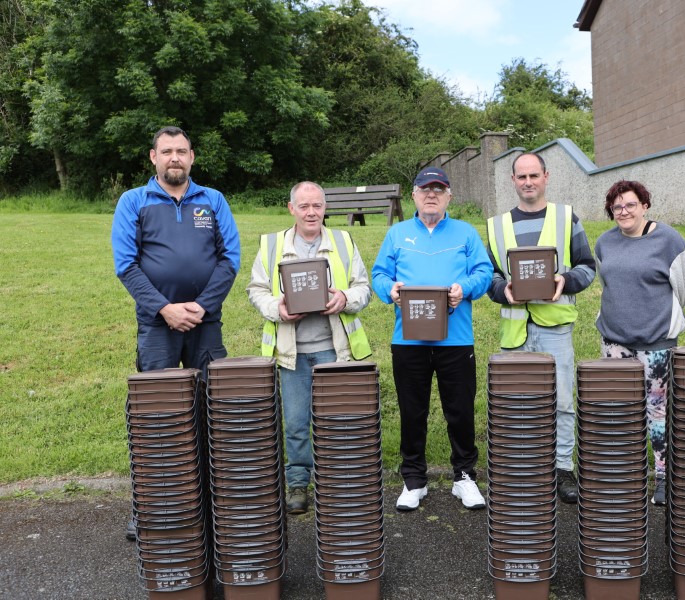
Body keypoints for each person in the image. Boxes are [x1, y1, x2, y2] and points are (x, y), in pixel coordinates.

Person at [112, 126, 241, 540]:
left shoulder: (213, 200)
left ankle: (211, 505)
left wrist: (201, 307)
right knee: (158, 418)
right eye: (166, 151)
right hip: (156, 326)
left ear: (192, 157)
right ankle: (150, 507)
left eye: (181, 151)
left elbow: (230, 259)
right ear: (153, 157)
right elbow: (126, 265)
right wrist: (165, 308)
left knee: (212, 413)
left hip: (207, 326)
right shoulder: (134, 201)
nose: (174, 158)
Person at [247, 182, 372, 514]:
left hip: (335, 348)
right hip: (293, 352)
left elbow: (364, 287)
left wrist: (345, 298)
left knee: (338, 420)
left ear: (325, 208)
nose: (311, 212)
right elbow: (256, 289)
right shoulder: (272, 245)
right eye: (304, 206)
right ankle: (299, 483)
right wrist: (278, 309)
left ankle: (339, 481)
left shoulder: (343, 242)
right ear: (292, 209)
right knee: (297, 422)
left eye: (317, 206)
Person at [372, 166, 493, 511]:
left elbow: (483, 272)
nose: (431, 194)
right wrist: (389, 289)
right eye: (425, 189)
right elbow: (380, 274)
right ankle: (413, 479)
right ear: (414, 195)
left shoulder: (466, 233)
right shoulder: (397, 234)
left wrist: (464, 288)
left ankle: (465, 477)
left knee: (460, 410)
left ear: (449, 196)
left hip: (455, 338)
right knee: (412, 410)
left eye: (439, 189)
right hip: (409, 340)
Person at [486, 152, 596, 504]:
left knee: (563, 400)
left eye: (535, 175)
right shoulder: (496, 225)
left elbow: (587, 266)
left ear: (546, 177)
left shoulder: (567, 218)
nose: (528, 182)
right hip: (516, 329)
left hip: (555, 327)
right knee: (517, 402)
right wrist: (502, 291)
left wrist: (565, 279)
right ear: (513, 181)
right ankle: (525, 468)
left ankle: (563, 468)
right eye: (522, 177)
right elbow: (490, 277)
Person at [594, 180, 685, 507]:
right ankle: (624, 474)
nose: (623, 211)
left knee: (658, 412)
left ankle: (664, 475)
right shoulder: (604, 242)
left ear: (645, 206)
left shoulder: (668, 240)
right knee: (618, 410)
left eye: (630, 205)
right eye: (617, 206)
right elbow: (608, 281)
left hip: (656, 346)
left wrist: (658, 319)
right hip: (614, 342)